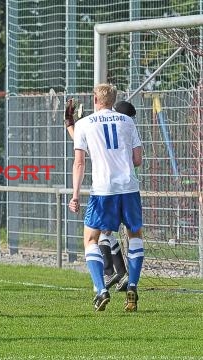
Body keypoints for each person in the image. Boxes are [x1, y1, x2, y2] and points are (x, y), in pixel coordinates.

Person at [68, 83, 144, 312]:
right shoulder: (127, 121)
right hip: (129, 188)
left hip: (103, 190)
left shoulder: (84, 124)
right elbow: (138, 159)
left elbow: (79, 162)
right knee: (135, 236)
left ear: (94, 100)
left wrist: (75, 195)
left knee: (91, 239)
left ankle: (101, 290)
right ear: (113, 100)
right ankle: (132, 285)